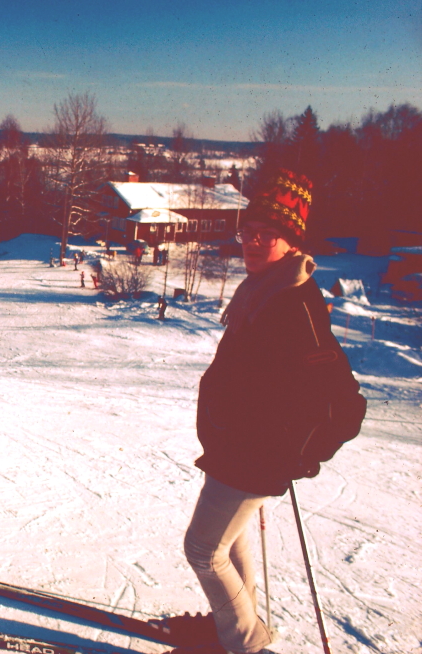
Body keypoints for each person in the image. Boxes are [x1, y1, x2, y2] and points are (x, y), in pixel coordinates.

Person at [158, 169, 366, 654]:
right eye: (247, 232)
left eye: (266, 234)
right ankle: (236, 628)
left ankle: (247, 645)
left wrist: (295, 455)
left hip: (252, 457)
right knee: (227, 543)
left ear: (290, 241)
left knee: (203, 551)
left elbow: (343, 406)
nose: (253, 242)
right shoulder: (264, 288)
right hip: (234, 450)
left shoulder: (295, 303)